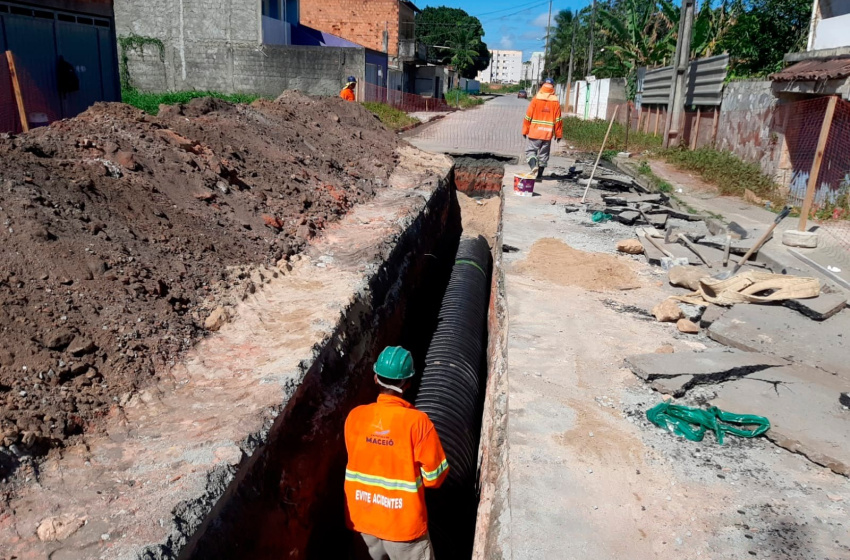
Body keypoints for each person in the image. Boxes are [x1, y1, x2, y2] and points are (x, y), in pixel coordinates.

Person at [344, 346, 449, 560]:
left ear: (375, 378)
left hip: (363, 519)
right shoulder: (418, 423)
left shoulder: (355, 416)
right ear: (408, 383)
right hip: (402, 526)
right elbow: (434, 478)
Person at [522, 77, 563, 180]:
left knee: (531, 152)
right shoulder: (555, 101)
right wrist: (558, 134)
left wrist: (525, 130)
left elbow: (528, 116)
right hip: (547, 134)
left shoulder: (536, 99)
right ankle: (539, 176)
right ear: (553, 87)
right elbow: (558, 120)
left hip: (535, 132)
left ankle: (533, 167)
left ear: (542, 86)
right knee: (543, 155)